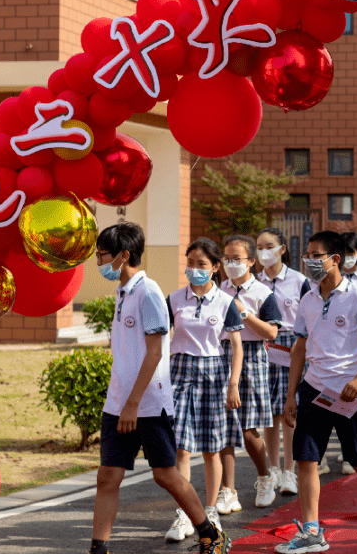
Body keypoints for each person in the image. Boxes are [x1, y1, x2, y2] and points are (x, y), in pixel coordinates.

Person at [89, 223, 230, 554]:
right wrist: (121, 402)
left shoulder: (148, 292)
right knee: (107, 477)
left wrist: (133, 404)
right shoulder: (123, 292)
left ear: (124, 256)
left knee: (165, 475)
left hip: (148, 405)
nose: (98, 261)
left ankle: (210, 532)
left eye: (102, 255)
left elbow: (155, 351)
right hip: (119, 402)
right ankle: (98, 548)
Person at [278, 231, 357, 552]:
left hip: (351, 396)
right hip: (314, 392)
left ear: (335, 259)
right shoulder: (307, 299)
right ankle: (311, 530)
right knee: (306, 460)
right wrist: (291, 395)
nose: (310, 261)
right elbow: (299, 349)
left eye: (316, 255)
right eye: (307, 255)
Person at [166, 238, 243, 533]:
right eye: (190, 264)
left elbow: (236, 346)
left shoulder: (226, 303)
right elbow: (161, 341)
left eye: (201, 265)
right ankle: (185, 514)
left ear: (215, 268)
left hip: (215, 374)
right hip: (180, 371)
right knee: (181, 448)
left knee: (212, 448)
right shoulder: (173, 299)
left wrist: (233, 384)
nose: (195, 270)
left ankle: (211, 513)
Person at [217, 235, 281, 512]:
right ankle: (227, 489)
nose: (231, 264)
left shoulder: (263, 293)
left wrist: (245, 314)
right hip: (221, 355)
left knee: (248, 428)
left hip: (253, 356)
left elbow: (272, 332)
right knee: (223, 426)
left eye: (237, 260)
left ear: (251, 262)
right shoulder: (219, 288)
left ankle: (265, 475)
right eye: (226, 259)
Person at [256, 227, 312, 494]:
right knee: (269, 412)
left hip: (292, 344)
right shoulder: (254, 282)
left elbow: (309, 316)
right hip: (263, 346)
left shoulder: (299, 280)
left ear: (282, 249)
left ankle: (290, 470)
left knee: (290, 410)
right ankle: (273, 467)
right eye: (259, 247)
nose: (263, 252)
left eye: (269, 246)